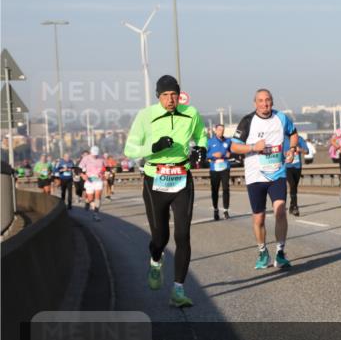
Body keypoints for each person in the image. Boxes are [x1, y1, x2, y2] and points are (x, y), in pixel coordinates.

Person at [124, 74, 208, 308]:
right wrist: (155, 146)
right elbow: (129, 149)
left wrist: (200, 149)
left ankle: (178, 290)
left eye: (174, 94)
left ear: (179, 94)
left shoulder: (191, 113)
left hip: (182, 178)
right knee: (161, 237)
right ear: (158, 96)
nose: (170, 99)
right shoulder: (145, 116)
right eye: (165, 95)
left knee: (183, 235)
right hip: (155, 180)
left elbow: (201, 135)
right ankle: (155, 259)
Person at [230, 90, 298, 270]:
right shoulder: (247, 121)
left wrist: (291, 149)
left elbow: (294, 133)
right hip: (255, 176)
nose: (264, 104)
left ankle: (281, 252)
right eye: (260, 101)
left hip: (277, 173)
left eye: (267, 100)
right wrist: (253, 147)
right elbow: (234, 147)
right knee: (259, 218)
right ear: (255, 103)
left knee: (280, 211)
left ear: (272, 102)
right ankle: (262, 251)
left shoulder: (282, 118)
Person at [207, 123, 232, 220]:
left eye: (222, 130)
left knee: (226, 189)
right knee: (215, 190)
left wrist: (228, 154)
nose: (221, 132)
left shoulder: (228, 141)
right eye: (219, 130)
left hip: (225, 167)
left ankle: (225, 210)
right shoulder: (210, 141)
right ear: (215, 130)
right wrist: (213, 155)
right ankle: (216, 210)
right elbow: (205, 155)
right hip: (214, 168)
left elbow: (232, 152)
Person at [79, 146, 106, 221]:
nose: (95, 156)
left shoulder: (101, 158)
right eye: (93, 154)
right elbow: (78, 169)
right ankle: (88, 202)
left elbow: (105, 168)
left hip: (98, 180)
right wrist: (83, 175)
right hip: (89, 181)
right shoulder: (86, 158)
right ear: (91, 152)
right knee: (91, 198)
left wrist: (103, 173)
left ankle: (96, 214)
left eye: (96, 154)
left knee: (98, 196)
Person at [284, 129, 303, 216]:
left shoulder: (300, 139)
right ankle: (295, 206)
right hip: (287, 167)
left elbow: (307, 151)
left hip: (297, 167)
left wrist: (300, 150)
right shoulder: (282, 140)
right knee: (292, 185)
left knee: (294, 187)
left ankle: (292, 205)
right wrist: (284, 154)